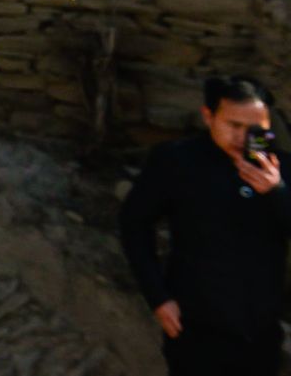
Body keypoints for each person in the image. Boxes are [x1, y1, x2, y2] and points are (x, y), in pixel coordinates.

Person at [120, 74, 291, 374]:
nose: (242, 136)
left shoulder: (283, 168)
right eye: (233, 125)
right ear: (208, 116)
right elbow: (134, 224)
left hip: (260, 331)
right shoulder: (176, 161)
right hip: (196, 326)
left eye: (255, 128)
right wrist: (158, 297)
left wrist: (277, 193)